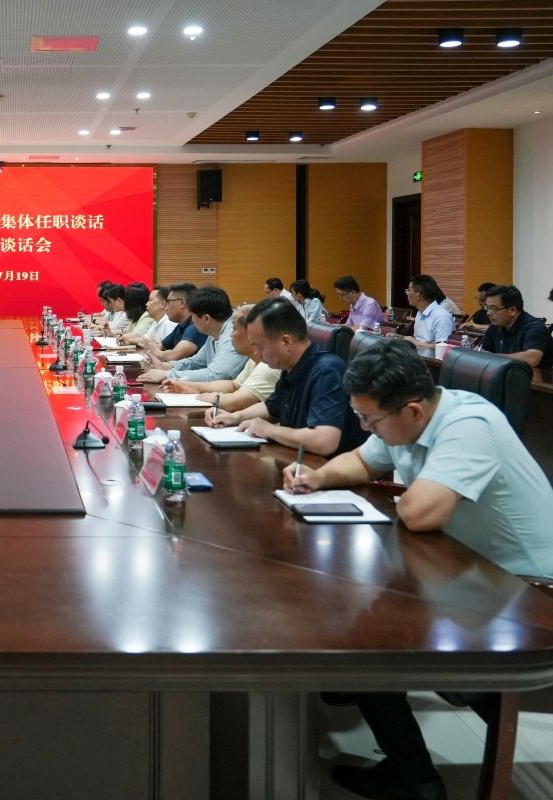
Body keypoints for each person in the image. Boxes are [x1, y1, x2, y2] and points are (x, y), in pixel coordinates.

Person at [284, 338, 553, 800]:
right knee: (359, 610)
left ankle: (413, 778)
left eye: (370, 420)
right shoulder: (407, 420)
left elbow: (420, 513)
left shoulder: (469, 425)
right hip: (467, 568)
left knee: (367, 640)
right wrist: (318, 476)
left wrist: (403, 491)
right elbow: (362, 459)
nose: (365, 427)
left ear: (411, 410)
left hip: (525, 592)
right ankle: (378, 692)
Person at [206, 297, 367, 456]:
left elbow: (324, 441)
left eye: (260, 347)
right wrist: (235, 417)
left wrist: (269, 430)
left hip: (328, 467)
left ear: (286, 341)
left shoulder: (327, 371)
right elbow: (271, 407)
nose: (256, 353)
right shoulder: (291, 366)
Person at [160, 304, 281, 412]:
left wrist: (210, 397)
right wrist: (190, 386)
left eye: (234, 328)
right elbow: (233, 385)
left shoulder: (269, 365)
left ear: (252, 333)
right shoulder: (253, 360)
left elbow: (235, 403)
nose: (230, 334)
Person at [138, 286, 247, 383]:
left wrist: (168, 374)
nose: (192, 320)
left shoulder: (233, 334)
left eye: (193, 316)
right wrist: (164, 366)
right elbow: (197, 361)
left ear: (206, 318)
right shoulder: (215, 329)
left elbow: (216, 375)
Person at [479, 284, 553, 368]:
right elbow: (481, 351)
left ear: (512, 310)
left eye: (493, 308)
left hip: (534, 375)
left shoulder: (534, 327)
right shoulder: (496, 325)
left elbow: (532, 359)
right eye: (487, 307)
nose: (488, 313)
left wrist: (492, 357)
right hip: (506, 373)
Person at [142, 282, 209, 363]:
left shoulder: (196, 326)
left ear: (182, 303)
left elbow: (173, 356)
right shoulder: (181, 325)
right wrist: (154, 348)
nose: (166, 307)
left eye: (168, 302)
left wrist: (153, 350)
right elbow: (161, 346)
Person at [404, 274, 455, 345]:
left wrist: (416, 343)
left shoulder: (442, 317)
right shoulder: (420, 312)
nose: (407, 293)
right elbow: (419, 339)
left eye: (408, 290)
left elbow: (444, 347)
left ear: (418, 295)